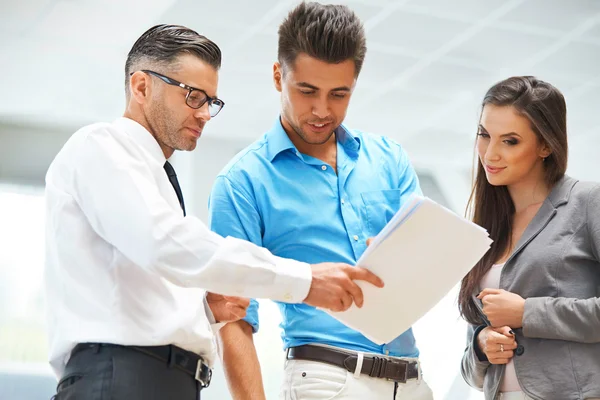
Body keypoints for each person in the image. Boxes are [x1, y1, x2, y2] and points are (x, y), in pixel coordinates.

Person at [44, 24, 384, 400]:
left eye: (211, 101)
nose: (205, 113)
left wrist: (203, 309)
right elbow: (165, 244)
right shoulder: (101, 146)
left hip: (165, 380)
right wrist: (304, 281)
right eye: (192, 97)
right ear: (141, 87)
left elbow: (138, 283)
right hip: (120, 379)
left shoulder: (154, 177)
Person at [208, 3, 434, 399]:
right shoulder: (242, 182)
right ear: (279, 76)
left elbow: (424, 264)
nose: (321, 111)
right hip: (328, 380)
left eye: (339, 94)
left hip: (413, 380)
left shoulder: (389, 158)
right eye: (307, 91)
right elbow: (233, 319)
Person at [458, 76, 600, 400]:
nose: (490, 153)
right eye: (484, 135)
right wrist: (481, 348)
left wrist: (527, 314)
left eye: (510, 141)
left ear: (546, 145)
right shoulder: (488, 227)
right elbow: (470, 371)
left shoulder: (588, 202)